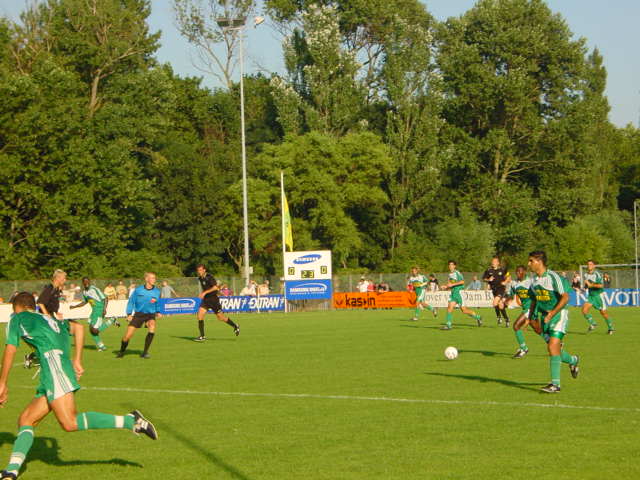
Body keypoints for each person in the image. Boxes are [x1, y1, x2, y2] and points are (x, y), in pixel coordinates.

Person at [0, 292, 157, 480]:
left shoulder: (17, 319)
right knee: (26, 419)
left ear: (15, 307)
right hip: (56, 369)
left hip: (54, 370)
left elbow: (10, 349)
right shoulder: (47, 318)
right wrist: (77, 360)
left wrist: (2, 383)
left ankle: (131, 421)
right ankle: (11, 472)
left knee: (69, 422)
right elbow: (78, 328)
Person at [527, 250, 580, 393]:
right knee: (555, 350)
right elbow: (533, 299)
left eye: (531, 260)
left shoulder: (553, 277)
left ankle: (555, 385)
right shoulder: (534, 281)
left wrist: (552, 313)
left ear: (539, 261)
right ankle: (574, 361)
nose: (529, 264)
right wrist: (530, 317)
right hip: (544, 318)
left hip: (558, 315)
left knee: (552, 347)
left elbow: (565, 297)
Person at [116, 273, 161, 359]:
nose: (154, 279)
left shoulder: (157, 291)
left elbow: (157, 303)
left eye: (155, 278)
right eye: (152, 278)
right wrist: (129, 314)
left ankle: (145, 352)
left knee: (152, 327)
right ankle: (121, 352)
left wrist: (158, 311)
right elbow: (131, 302)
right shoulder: (138, 290)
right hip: (139, 315)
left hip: (150, 315)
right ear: (146, 279)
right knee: (127, 336)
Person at [70, 277, 120, 351]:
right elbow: (84, 302)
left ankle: (112, 319)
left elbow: (105, 298)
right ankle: (101, 346)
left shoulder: (94, 289)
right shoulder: (84, 292)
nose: (86, 282)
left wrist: (104, 309)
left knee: (94, 330)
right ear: (82, 283)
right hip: (94, 311)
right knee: (91, 330)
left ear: (89, 281)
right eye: (84, 281)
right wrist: (74, 306)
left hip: (99, 310)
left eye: (87, 281)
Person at [194, 264, 240, 342]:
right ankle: (202, 336)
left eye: (201, 270)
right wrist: (204, 294)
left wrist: (204, 293)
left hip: (213, 300)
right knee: (199, 315)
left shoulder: (209, 277)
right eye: (198, 270)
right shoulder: (200, 278)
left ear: (204, 270)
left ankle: (235, 326)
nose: (199, 272)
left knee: (220, 317)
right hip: (206, 300)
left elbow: (215, 287)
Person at [440, 261, 482, 330]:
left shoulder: (457, 273)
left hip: (459, 293)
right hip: (453, 294)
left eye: (452, 265)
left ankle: (478, 317)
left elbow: (462, 281)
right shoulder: (450, 275)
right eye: (449, 265)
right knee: (449, 308)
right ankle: (448, 325)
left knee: (464, 310)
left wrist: (452, 285)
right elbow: (450, 285)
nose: (450, 266)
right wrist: (445, 287)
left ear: (454, 266)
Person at [507, 266, 535, 358]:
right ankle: (556, 342)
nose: (518, 273)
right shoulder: (514, 283)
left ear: (525, 272)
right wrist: (506, 301)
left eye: (520, 271)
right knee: (538, 330)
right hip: (525, 308)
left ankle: (524, 349)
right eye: (517, 271)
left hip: (530, 308)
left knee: (516, 326)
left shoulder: (531, 282)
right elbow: (511, 295)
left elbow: (536, 296)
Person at [582, 260, 615, 334]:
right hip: (591, 296)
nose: (589, 266)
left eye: (590, 264)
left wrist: (591, 285)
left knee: (603, 313)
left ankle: (611, 328)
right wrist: (585, 288)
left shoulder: (597, 274)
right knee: (584, 310)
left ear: (594, 266)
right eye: (588, 264)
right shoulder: (585, 275)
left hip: (598, 296)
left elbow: (601, 285)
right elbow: (587, 284)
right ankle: (593, 323)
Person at [482, 256, 511, 327]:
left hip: (501, 289)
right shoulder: (488, 270)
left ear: (498, 263)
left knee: (495, 303)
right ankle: (507, 319)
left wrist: (505, 281)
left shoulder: (503, 270)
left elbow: (509, 277)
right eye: (492, 261)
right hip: (494, 290)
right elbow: (483, 278)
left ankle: (498, 317)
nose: (493, 263)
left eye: (495, 262)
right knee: (501, 306)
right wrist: (489, 280)